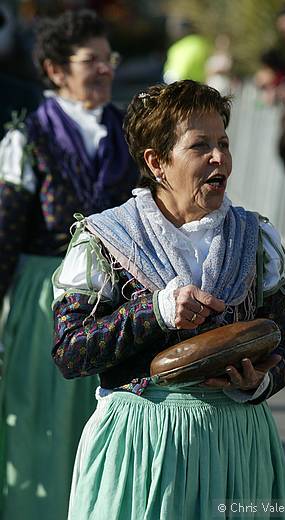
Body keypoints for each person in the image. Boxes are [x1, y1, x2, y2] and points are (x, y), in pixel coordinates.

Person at [52, 80, 285, 519]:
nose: (219, 157)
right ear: (157, 162)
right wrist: (155, 311)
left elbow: (282, 343)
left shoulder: (254, 237)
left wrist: (259, 381)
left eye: (223, 142)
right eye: (200, 145)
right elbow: (71, 354)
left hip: (238, 444)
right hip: (142, 446)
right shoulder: (106, 239)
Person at [0, 9, 138, 520]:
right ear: (56, 70)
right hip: (46, 300)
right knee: (43, 423)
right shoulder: (27, 137)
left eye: (110, 59)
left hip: (120, 301)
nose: (105, 70)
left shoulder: (128, 131)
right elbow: (4, 237)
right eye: (91, 61)